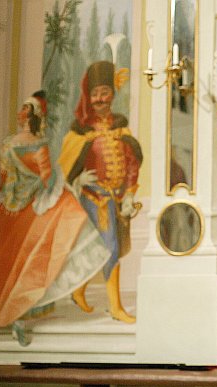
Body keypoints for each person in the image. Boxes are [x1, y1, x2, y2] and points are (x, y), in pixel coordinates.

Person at [0, 92, 109, 342]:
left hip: (15, 206)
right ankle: (4, 314)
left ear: (29, 115)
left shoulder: (8, 144)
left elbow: (29, 176)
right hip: (8, 207)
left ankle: (15, 314)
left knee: (22, 262)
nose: (19, 113)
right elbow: (9, 174)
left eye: (23, 109)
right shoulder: (11, 144)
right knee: (3, 263)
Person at [59, 60, 142, 324]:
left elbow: (131, 163)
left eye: (104, 92)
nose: (99, 98)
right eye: (94, 94)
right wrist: (78, 179)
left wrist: (129, 194)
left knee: (101, 249)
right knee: (110, 248)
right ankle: (115, 307)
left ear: (112, 95)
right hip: (93, 197)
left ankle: (78, 291)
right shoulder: (80, 131)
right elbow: (68, 165)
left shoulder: (120, 127)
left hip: (117, 199)